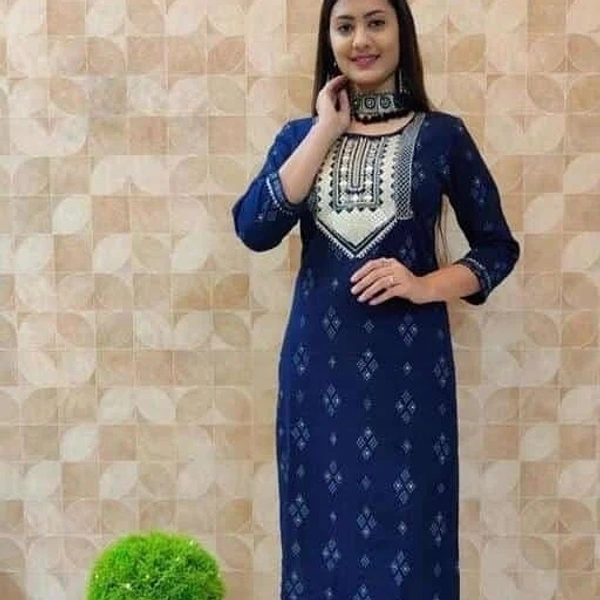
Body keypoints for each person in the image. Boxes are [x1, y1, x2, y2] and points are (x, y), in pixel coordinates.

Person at [232, 0, 519, 597]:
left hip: (410, 378)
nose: (361, 39)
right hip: (318, 376)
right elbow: (255, 228)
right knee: (318, 541)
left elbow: (497, 249)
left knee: (412, 543)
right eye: (345, 26)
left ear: (400, 32)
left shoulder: (442, 136)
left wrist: (424, 284)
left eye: (376, 22)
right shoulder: (299, 138)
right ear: (329, 40)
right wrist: (325, 129)